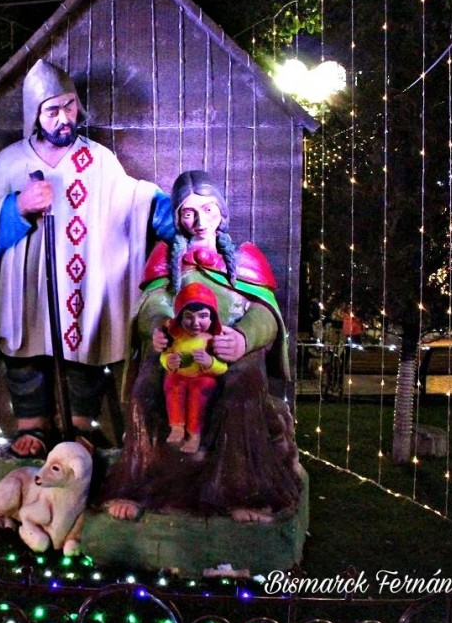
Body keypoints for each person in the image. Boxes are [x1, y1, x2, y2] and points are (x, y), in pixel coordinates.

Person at [0, 59, 172, 458]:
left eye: (69, 106)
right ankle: (32, 423)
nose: (64, 118)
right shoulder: (11, 160)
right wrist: (19, 207)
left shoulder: (97, 158)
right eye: (53, 110)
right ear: (35, 115)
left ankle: (80, 424)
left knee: (84, 343)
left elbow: (127, 198)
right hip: (27, 276)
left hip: (81, 278)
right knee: (24, 346)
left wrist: (164, 209)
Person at [98, 170, 302, 523]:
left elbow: (265, 312)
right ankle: (142, 486)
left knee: (240, 389)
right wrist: (158, 328)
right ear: (177, 218)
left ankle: (241, 489)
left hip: (229, 351)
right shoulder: (166, 258)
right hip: (180, 347)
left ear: (222, 212)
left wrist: (242, 338)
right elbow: (153, 303)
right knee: (146, 388)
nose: (199, 221)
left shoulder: (246, 260)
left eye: (208, 210)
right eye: (189, 213)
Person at [159, 282, 228, 453]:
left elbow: (223, 368)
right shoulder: (177, 338)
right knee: (172, 382)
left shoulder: (212, 339)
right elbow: (164, 355)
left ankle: (194, 435)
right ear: (180, 319)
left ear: (212, 318)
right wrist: (168, 361)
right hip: (181, 376)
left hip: (202, 378)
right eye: (189, 317)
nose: (195, 323)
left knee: (199, 391)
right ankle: (177, 426)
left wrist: (210, 362)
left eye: (203, 316)